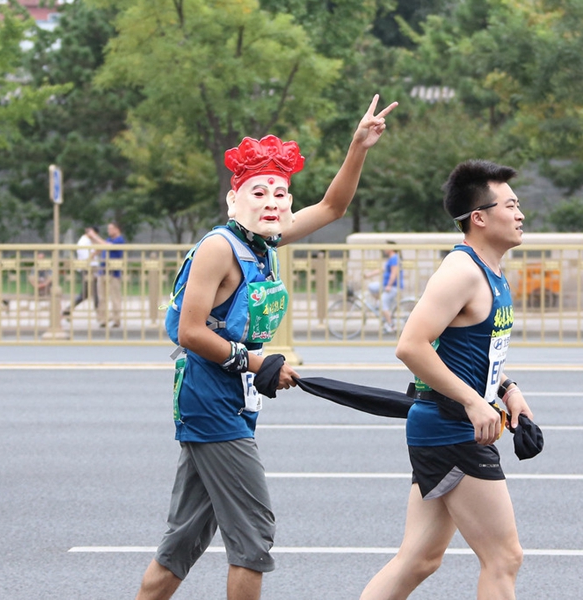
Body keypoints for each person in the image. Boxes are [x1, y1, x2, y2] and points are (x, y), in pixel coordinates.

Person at [136, 95, 397, 600]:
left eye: (280, 192)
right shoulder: (220, 247)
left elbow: (333, 207)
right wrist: (254, 362)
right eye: (259, 191)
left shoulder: (266, 243)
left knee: (183, 542)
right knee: (252, 538)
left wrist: (358, 146)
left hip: (233, 398)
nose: (273, 201)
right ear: (234, 201)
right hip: (211, 401)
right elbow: (189, 332)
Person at [360, 160, 531, 600]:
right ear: (479, 217)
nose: (520, 214)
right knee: (504, 558)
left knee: (419, 559)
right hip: (451, 428)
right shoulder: (462, 271)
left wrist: (507, 390)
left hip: (448, 426)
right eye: (510, 205)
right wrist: (475, 403)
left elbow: (467, 351)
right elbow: (412, 345)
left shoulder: (490, 270)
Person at [87, 222, 124, 327]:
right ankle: (102, 319)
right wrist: (93, 240)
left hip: (113, 272)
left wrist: (95, 236)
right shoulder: (108, 239)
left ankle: (116, 320)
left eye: (111, 228)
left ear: (117, 229)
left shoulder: (119, 240)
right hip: (103, 270)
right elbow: (101, 246)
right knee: (101, 297)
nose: (109, 231)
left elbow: (107, 246)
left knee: (115, 297)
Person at [365, 242, 402, 333]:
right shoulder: (391, 259)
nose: (384, 249)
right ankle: (379, 305)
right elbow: (382, 269)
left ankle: (391, 325)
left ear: (391, 248)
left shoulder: (394, 258)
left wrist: (389, 285)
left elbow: (394, 273)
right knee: (371, 287)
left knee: (382, 303)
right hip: (385, 285)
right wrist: (369, 275)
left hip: (392, 286)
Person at [63, 225, 99, 317]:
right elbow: (86, 258)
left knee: (88, 293)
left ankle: (68, 310)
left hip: (89, 268)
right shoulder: (84, 242)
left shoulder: (88, 241)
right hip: (88, 269)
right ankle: (101, 315)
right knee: (93, 293)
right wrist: (96, 252)